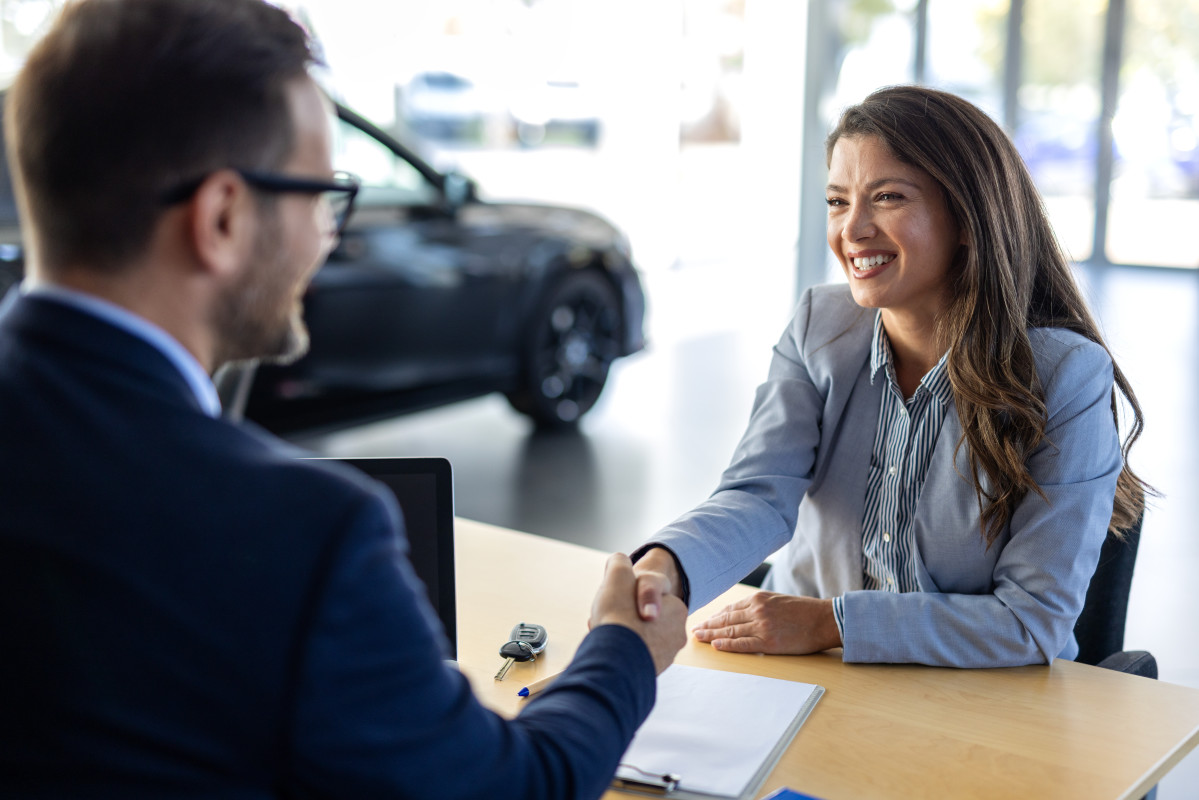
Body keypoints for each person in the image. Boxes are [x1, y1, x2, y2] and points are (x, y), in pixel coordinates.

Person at [0, 1, 687, 798]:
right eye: (321, 197)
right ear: (222, 217)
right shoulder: (299, 536)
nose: (327, 236)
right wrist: (623, 647)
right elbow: (517, 787)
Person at [632, 84, 1150, 669]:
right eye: (837, 201)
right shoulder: (818, 327)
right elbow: (757, 495)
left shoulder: (1065, 376)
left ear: (968, 218)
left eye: (887, 197)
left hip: (975, 690)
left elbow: (1032, 621)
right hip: (801, 667)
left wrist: (831, 623)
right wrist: (664, 568)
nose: (851, 230)